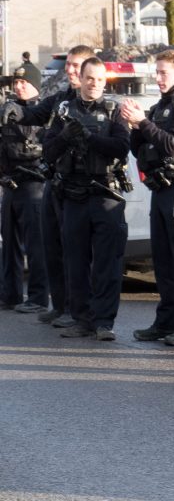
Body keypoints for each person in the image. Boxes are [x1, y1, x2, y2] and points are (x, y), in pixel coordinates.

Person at [2, 44, 96, 329]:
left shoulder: (94, 105)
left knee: (73, 253)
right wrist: (15, 111)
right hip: (56, 185)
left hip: (78, 187)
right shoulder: (61, 99)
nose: (70, 70)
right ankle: (61, 307)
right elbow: (33, 115)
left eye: (75, 65)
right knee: (53, 249)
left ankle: (79, 312)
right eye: (68, 65)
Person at [121, 49, 174, 347]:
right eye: (156, 72)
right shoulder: (160, 106)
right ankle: (166, 321)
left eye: (163, 72)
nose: (158, 78)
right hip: (160, 188)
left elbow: (172, 146)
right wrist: (135, 125)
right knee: (164, 260)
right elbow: (138, 149)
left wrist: (143, 123)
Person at [43, 57, 130, 340]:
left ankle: (104, 322)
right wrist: (65, 136)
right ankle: (82, 320)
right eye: (90, 78)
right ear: (80, 79)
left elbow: (121, 147)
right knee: (76, 263)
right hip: (74, 195)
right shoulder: (64, 110)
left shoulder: (114, 111)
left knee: (107, 263)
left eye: (100, 79)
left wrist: (90, 138)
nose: (94, 84)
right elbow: (48, 153)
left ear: (105, 82)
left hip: (105, 195)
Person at [0, 62, 49, 313]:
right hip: (11, 184)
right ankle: (10, 294)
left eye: (24, 82)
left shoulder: (45, 111)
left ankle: (38, 298)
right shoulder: (7, 110)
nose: (19, 86)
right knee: (9, 244)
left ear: (36, 85)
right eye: (16, 82)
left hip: (34, 186)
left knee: (36, 244)